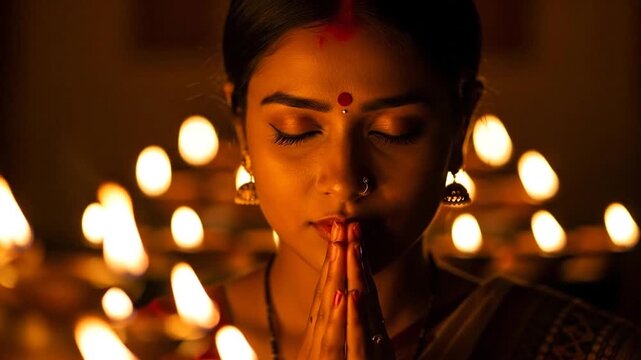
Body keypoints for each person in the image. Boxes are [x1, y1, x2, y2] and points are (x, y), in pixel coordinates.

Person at [144, 0, 641, 358]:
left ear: (460, 128)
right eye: (296, 132)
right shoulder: (158, 344)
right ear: (241, 129)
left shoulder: (576, 345)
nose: (343, 178)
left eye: (394, 132)